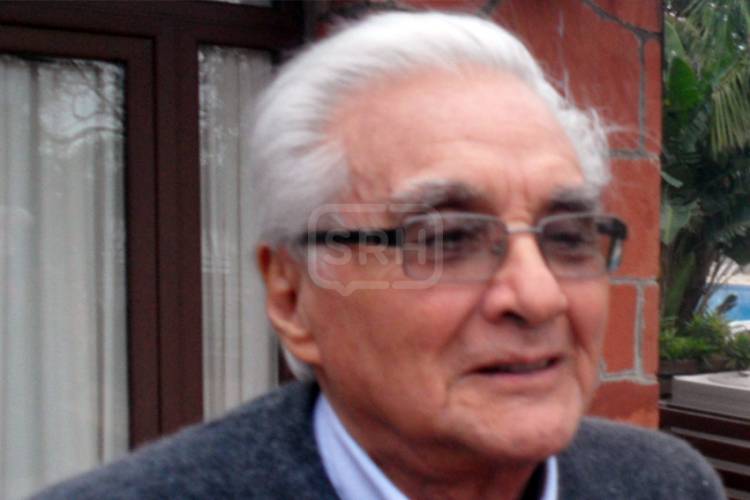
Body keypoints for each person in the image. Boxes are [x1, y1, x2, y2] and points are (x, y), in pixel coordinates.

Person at [34, 11, 724, 500]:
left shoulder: (664, 484)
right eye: (447, 239)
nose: (538, 297)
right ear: (292, 296)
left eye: (567, 238)